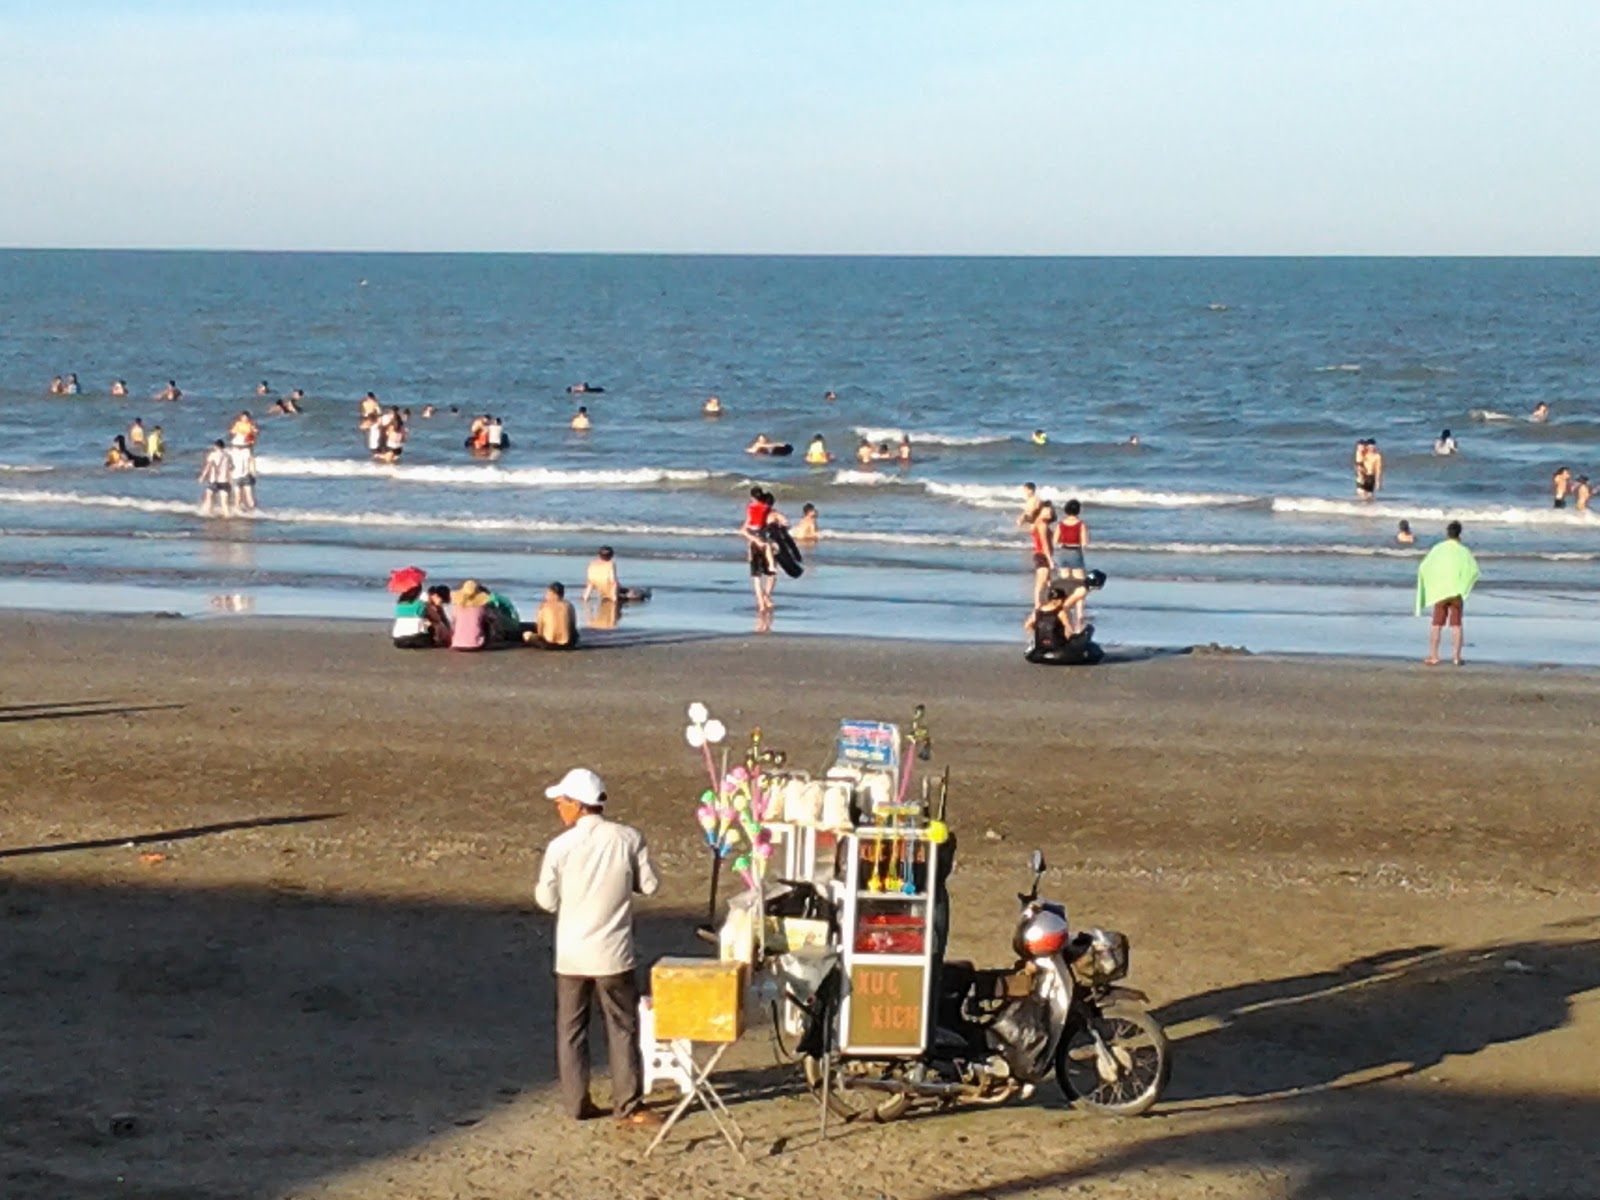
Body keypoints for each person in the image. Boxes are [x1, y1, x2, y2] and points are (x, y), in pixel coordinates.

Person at [535, 767, 660, 1126]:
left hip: (571, 953)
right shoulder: (628, 838)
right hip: (613, 954)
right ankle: (628, 1104)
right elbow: (649, 886)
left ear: (577, 805)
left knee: (571, 1030)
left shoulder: (560, 847)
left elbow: (545, 899)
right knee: (622, 1027)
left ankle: (577, 1103)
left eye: (562, 803)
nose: (559, 809)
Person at [1416, 521, 1479, 667]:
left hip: (1441, 591)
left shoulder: (1438, 549)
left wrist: (1432, 582)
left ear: (1447, 533)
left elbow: (1424, 566)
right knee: (1456, 625)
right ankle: (1456, 657)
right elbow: (1474, 570)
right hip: (1456, 592)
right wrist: (1464, 586)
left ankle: (1434, 656)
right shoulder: (1463, 550)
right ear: (1459, 534)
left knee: (1436, 624)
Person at [1055, 498, 1089, 628]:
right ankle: (1079, 612)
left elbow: (1056, 540)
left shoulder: (1061, 524)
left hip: (1064, 551)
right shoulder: (1081, 524)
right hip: (1075, 551)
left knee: (1064, 583)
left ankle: (1064, 608)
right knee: (1080, 584)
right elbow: (1084, 542)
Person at [742, 487, 777, 612]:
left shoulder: (751, 509)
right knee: (770, 573)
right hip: (761, 540)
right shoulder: (767, 510)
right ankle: (766, 598)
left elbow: (744, 529)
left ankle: (761, 603)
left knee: (756, 578)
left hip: (753, 543)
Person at [530, 582, 580, 649]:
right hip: (567, 644)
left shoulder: (543, 607)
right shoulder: (569, 606)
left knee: (526, 635)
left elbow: (540, 630)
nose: (546, 596)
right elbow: (573, 627)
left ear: (552, 593)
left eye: (547, 593)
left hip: (549, 644)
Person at [1029, 497, 1057, 608]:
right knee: (1042, 582)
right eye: (1046, 511)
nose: (1049, 514)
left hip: (1039, 553)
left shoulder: (1036, 523)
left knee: (1047, 581)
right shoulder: (1042, 525)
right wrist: (1050, 560)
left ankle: (1045, 603)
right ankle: (1038, 606)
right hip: (1042, 554)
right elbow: (1045, 544)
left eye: (1050, 511)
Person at [391, 584, 437, 649]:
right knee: (429, 624)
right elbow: (437, 618)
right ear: (418, 591)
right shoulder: (421, 604)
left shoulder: (399, 605)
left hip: (398, 641)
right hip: (417, 639)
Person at [198, 439, 234, 516]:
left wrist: (202, 476)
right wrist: (231, 480)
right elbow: (231, 468)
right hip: (225, 481)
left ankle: (209, 514)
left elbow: (208, 466)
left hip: (214, 480)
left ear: (216, 446)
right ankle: (227, 518)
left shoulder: (213, 455)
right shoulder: (228, 456)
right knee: (225, 503)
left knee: (209, 498)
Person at [227, 438, 258, 512]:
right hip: (246, 475)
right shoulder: (247, 452)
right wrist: (254, 474)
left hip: (236, 476)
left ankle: (237, 511)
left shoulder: (232, 452)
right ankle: (253, 511)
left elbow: (230, 466)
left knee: (237, 496)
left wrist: (229, 476)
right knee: (249, 496)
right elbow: (252, 464)